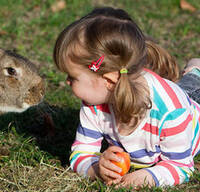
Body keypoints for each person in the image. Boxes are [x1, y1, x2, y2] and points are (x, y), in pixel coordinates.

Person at [53, 7, 200, 187]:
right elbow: (81, 152)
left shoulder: (171, 112)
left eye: (72, 77)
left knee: (192, 86)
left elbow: (181, 166)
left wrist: (146, 177)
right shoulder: (93, 105)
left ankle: (195, 69)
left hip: (192, 113)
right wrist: (96, 169)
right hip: (149, 90)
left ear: (108, 80)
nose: (67, 82)